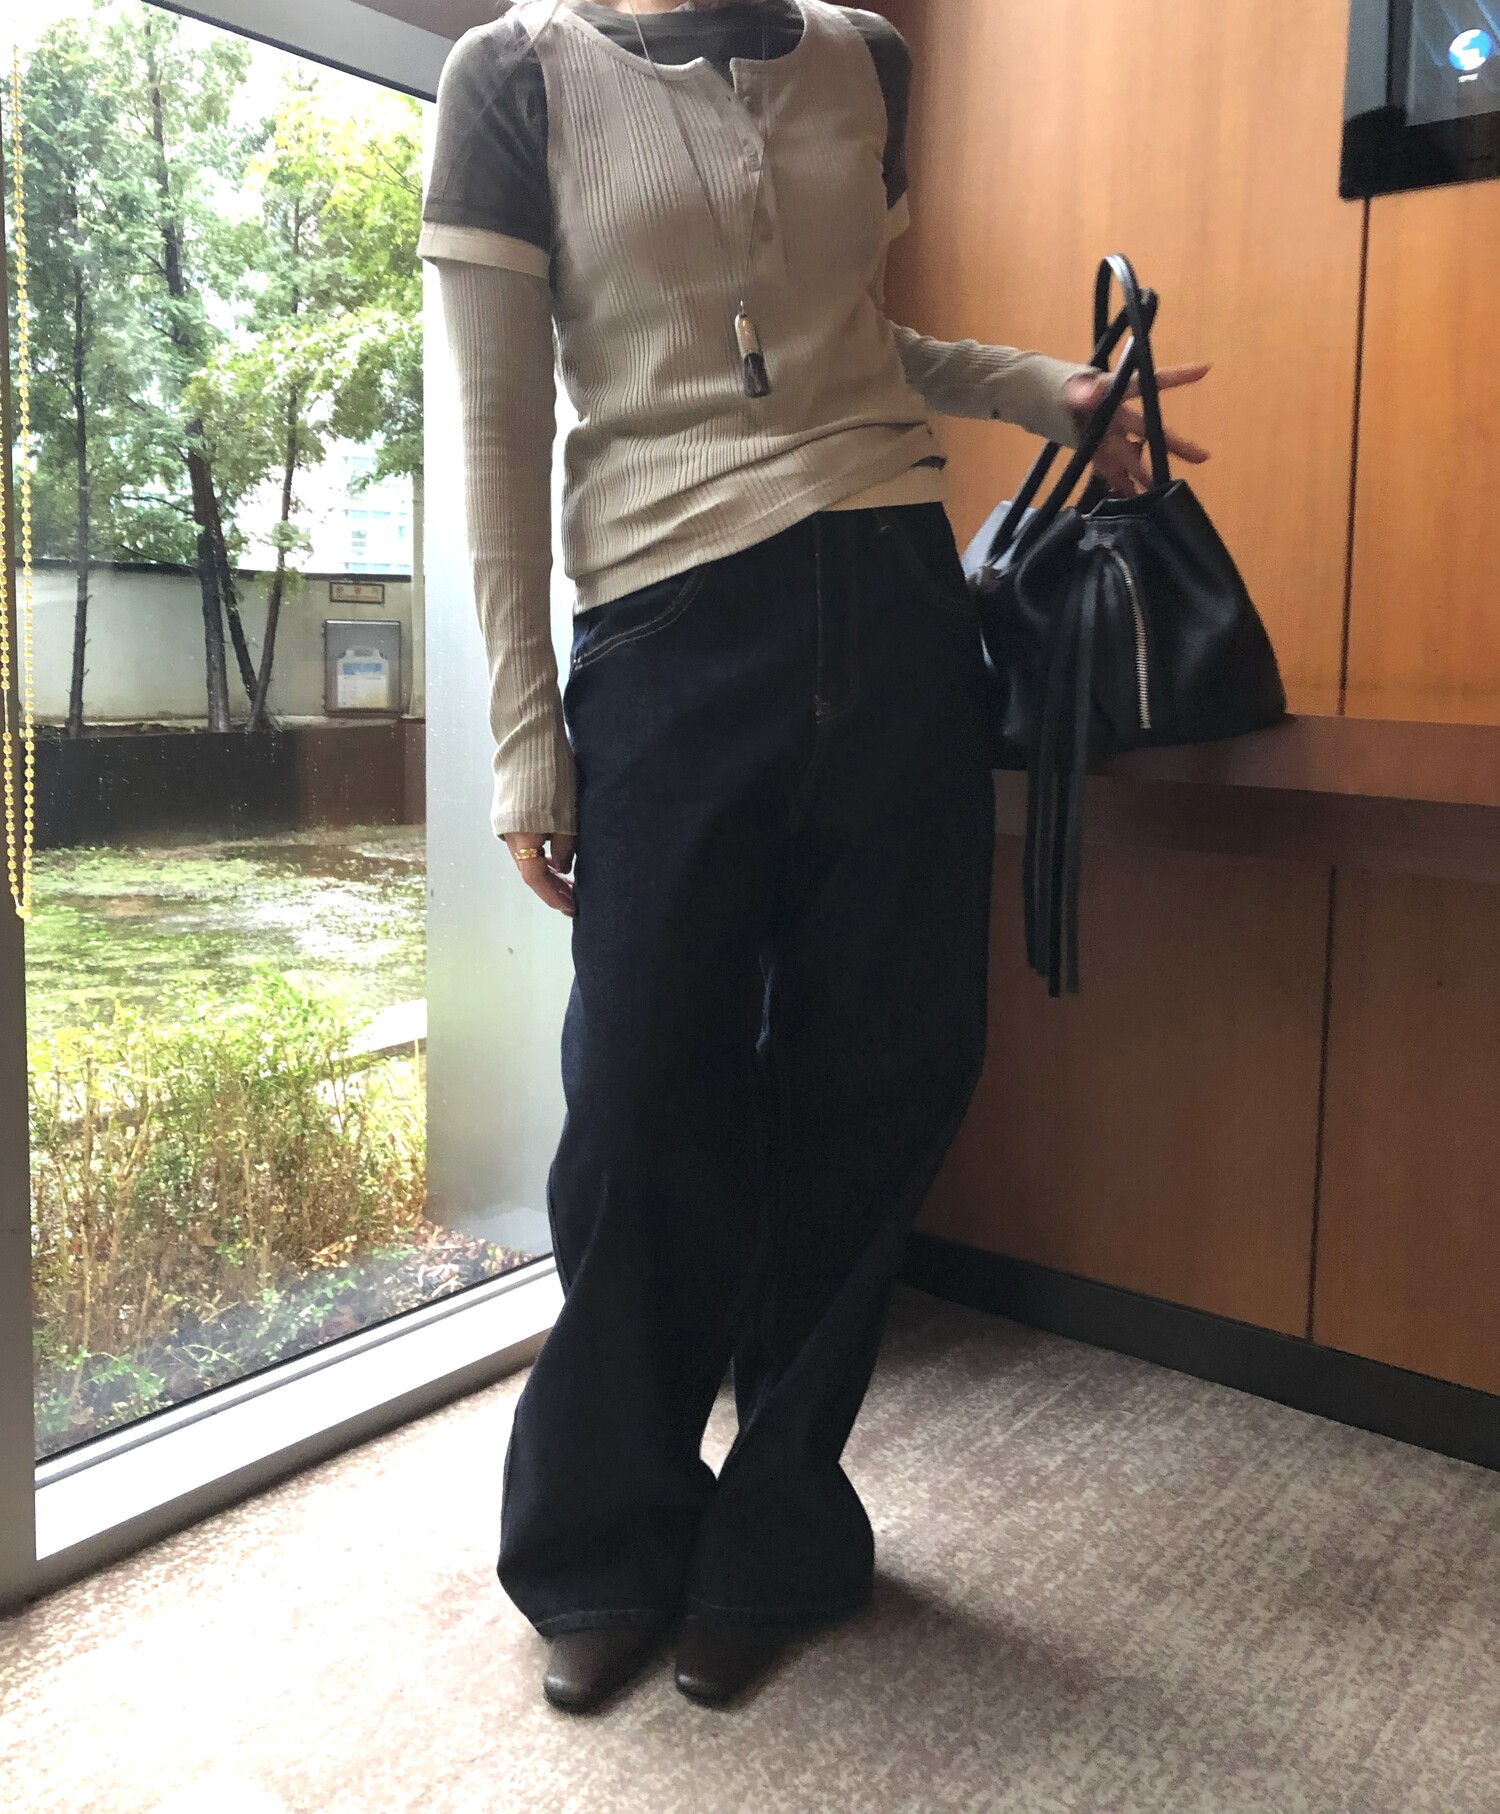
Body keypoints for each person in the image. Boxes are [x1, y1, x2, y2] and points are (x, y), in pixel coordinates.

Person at [418, 0, 1209, 1714]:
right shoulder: (516, 78)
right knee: (642, 1097)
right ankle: (602, 1538)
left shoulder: (866, 59)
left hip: (903, 613)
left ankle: (776, 1532)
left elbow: (849, 336)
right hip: (668, 635)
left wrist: (1042, 392)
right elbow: (491, 430)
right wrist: (524, 727)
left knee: (885, 1070)